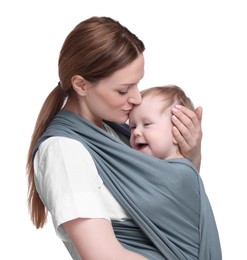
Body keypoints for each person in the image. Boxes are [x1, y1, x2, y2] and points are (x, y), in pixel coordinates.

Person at [26, 16, 205, 260]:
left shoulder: (121, 133)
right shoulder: (64, 151)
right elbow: (103, 256)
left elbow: (172, 212)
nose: (137, 98)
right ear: (81, 85)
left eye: (137, 85)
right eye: (123, 90)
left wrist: (190, 155)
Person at [129, 85, 222, 258]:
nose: (137, 132)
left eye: (147, 124)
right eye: (132, 127)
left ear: (177, 132)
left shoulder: (181, 173)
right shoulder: (151, 167)